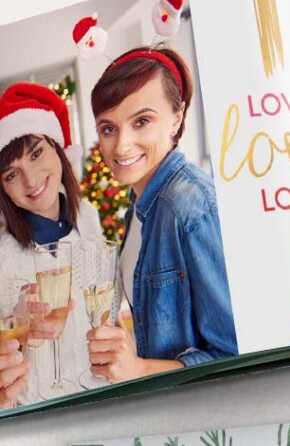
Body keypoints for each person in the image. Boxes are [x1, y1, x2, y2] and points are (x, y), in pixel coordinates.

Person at [85, 47, 237, 382]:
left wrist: (139, 369)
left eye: (142, 121)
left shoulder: (190, 207)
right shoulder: (141, 205)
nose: (122, 145)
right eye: (108, 128)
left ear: (177, 118)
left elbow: (236, 355)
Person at [0, 82, 103, 405]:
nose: (31, 181)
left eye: (36, 153)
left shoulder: (89, 220)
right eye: (11, 174)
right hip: (38, 412)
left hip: (102, 401)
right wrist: (14, 326)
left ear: (58, 147)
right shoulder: (3, 255)